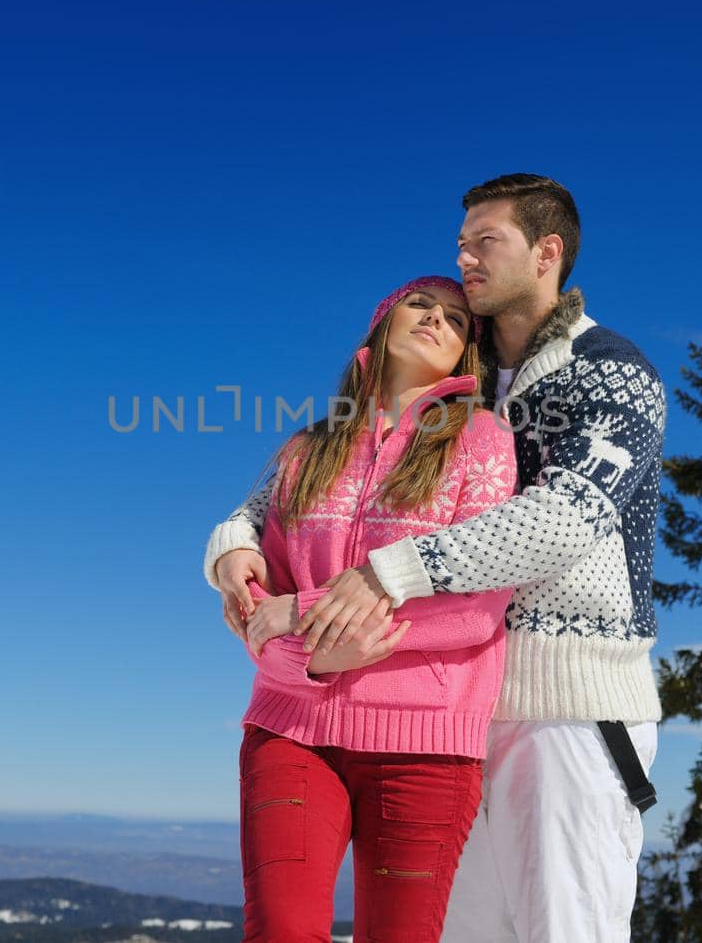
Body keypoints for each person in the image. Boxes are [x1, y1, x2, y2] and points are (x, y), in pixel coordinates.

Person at [222, 174, 668, 941]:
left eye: (485, 241)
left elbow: (564, 517)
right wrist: (232, 537)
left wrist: (383, 574)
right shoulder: (471, 377)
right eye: (460, 243)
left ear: (546, 252)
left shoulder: (612, 370)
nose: (463, 259)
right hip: (457, 713)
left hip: (569, 706)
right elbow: (325, 473)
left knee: (568, 928)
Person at [203, 275, 519, 943]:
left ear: (466, 354)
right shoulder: (305, 452)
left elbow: (476, 608)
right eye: (419, 305)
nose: (436, 318)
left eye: (457, 319)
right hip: (291, 728)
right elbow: (260, 605)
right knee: (282, 932)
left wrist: (308, 616)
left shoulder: (482, 442)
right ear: (380, 326)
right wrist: (312, 659)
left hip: (424, 746)